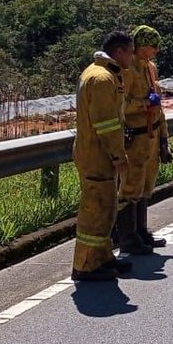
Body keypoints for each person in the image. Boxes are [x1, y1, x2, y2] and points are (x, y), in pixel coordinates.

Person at [71, 31, 136, 282]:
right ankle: (85, 265)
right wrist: (118, 156)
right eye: (129, 52)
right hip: (97, 156)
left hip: (98, 155)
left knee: (107, 209)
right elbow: (106, 125)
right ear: (119, 52)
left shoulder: (105, 74)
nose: (132, 57)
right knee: (95, 211)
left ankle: (103, 258)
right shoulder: (101, 79)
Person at [111, 25, 169, 256]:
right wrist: (145, 103)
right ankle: (127, 236)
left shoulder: (150, 68)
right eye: (152, 47)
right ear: (141, 47)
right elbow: (123, 106)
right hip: (135, 137)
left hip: (151, 135)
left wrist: (164, 138)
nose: (155, 51)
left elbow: (160, 107)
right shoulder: (128, 71)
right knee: (131, 186)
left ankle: (141, 231)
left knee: (146, 185)